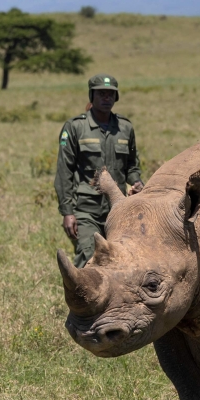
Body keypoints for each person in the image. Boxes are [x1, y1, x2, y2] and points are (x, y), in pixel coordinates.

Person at [56, 74, 143, 268]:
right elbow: (64, 172)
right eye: (101, 94)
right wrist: (67, 212)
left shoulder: (125, 128)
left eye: (110, 94)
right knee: (89, 258)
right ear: (92, 96)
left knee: (120, 261)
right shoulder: (76, 127)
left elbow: (132, 166)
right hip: (87, 210)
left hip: (118, 210)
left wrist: (137, 182)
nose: (106, 98)